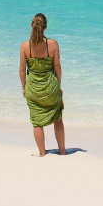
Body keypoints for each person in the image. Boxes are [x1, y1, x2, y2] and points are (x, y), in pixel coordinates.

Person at [19, 12, 67, 156]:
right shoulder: (52, 44)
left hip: (33, 89)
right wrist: (57, 85)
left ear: (31, 25)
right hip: (50, 87)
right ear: (45, 27)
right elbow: (57, 67)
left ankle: (42, 153)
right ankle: (62, 151)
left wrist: (23, 86)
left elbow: (22, 69)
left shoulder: (24, 47)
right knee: (58, 119)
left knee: (37, 122)